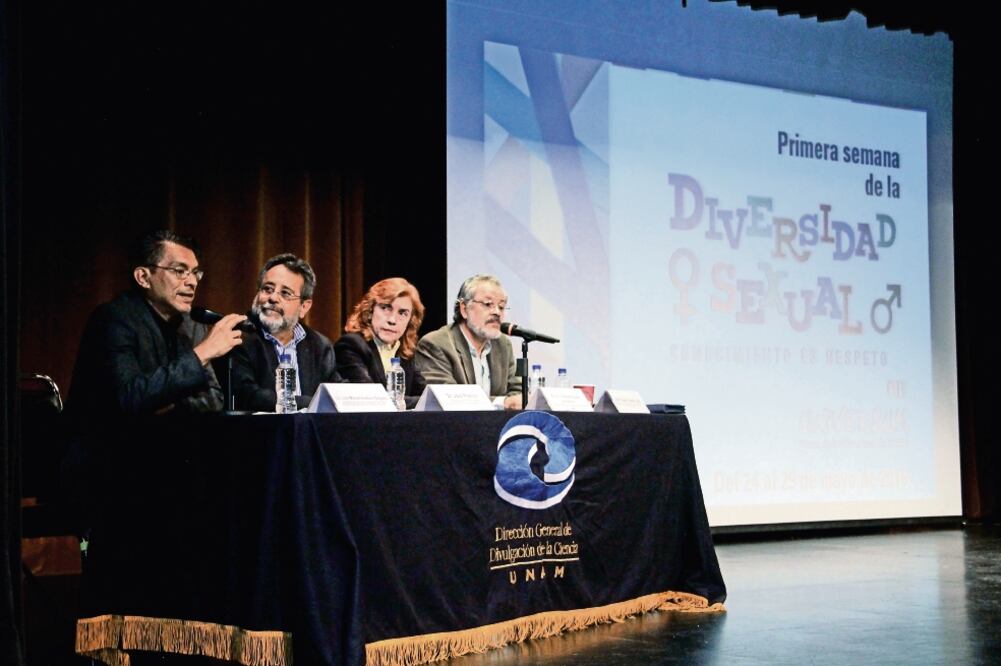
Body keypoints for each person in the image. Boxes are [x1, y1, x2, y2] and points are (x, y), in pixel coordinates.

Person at [65, 229, 245, 423]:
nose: (192, 282)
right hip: (107, 445)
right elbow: (128, 398)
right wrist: (203, 353)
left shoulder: (192, 324)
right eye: (179, 271)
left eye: (195, 273)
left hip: (167, 441)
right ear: (143, 277)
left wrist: (168, 403)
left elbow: (213, 400)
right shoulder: (113, 319)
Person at [229, 253, 340, 411]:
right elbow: (247, 396)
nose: (273, 298)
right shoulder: (238, 337)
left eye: (285, 293)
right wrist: (312, 403)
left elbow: (334, 394)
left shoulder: (320, 346)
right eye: (268, 289)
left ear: (304, 307)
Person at [414, 274, 521, 409]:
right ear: (464, 309)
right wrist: (503, 403)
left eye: (501, 306)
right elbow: (448, 399)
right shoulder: (435, 344)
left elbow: (517, 391)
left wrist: (516, 400)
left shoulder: (502, 344)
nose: (497, 312)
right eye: (488, 304)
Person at [334, 278, 427, 406]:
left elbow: (426, 397)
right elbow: (372, 400)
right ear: (370, 311)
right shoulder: (351, 345)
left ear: (410, 321)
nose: (392, 320)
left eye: (402, 313)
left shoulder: (404, 352)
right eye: (386, 308)